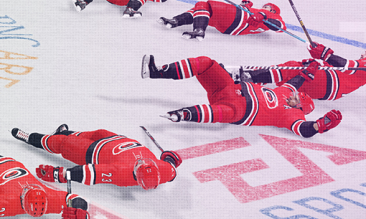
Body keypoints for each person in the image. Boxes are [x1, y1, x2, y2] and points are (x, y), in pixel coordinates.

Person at [141, 54, 342, 137]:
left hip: (239, 110)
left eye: (297, 99)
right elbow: (296, 81)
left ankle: (181, 115)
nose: (293, 96)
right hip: (229, 89)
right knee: (205, 63)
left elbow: (304, 130)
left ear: (299, 107)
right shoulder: (287, 91)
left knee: (221, 113)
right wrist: (309, 71)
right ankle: (156, 72)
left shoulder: (293, 116)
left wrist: (319, 126)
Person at [12, 124, 181, 189]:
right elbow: (172, 162)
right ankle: (64, 132)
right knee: (95, 132)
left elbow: (88, 173)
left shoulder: (120, 174)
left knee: (62, 143)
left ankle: (31, 138)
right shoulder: (165, 171)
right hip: (115, 138)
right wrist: (170, 157)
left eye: (138, 166)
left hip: (91, 152)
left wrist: (61, 174)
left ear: (136, 174)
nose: (140, 161)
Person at [239, 42, 366, 102]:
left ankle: (250, 77)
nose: (362, 53)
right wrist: (322, 58)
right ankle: (253, 84)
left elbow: (347, 66)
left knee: (292, 68)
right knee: (291, 75)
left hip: (328, 83)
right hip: (328, 88)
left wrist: (326, 55)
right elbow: (345, 71)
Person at [160, 0, 286, 40]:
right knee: (201, 11)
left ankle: (198, 30)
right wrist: (244, 6)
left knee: (203, 5)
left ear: (273, 10)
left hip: (237, 18)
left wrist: (263, 15)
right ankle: (176, 21)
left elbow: (280, 27)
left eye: (267, 7)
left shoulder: (273, 15)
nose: (264, 7)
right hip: (231, 26)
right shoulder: (258, 13)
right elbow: (255, 18)